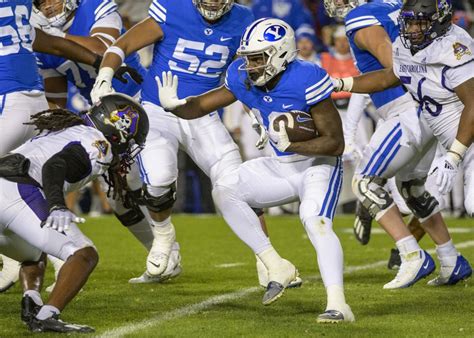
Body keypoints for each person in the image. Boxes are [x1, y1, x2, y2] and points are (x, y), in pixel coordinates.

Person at [91, 0, 301, 293]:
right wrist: (104, 77)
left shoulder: (242, 19)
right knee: (160, 178)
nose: (213, 2)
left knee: (237, 182)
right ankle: (165, 240)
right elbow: (122, 45)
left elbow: (245, 73)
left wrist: (258, 112)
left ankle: (267, 262)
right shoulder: (172, 7)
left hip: (202, 113)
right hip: (157, 110)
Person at [156, 18, 355, 323]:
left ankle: (338, 304)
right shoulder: (241, 77)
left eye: (258, 58)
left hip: (317, 166)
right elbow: (202, 106)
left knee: (315, 221)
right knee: (225, 189)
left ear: (281, 54)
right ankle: (276, 264)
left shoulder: (307, 76)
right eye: (249, 58)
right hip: (281, 165)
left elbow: (335, 143)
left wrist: (294, 145)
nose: (251, 66)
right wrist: (175, 106)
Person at [0, 0, 141, 292]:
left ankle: (26, 257)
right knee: (24, 188)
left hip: (9, 102)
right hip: (31, 102)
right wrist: (98, 63)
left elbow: (53, 43)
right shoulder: (20, 10)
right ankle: (36, 256)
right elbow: (52, 44)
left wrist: (101, 63)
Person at [333, 0, 473, 285]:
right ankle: (450, 261)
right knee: (410, 188)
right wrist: (340, 84)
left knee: (365, 182)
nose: (411, 30)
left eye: (419, 23)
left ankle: (412, 255)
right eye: (408, 23)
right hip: (434, 123)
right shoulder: (410, 40)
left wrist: (453, 157)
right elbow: (389, 75)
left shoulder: (455, 45)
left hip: (448, 132)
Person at [0, 93, 149, 333]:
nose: (129, 147)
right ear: (118, 128)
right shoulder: (98, 143)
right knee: (84, 254)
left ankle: (32, 300)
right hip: (16, 190)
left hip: (7, 185)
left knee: (34, 252)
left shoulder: (66, 129)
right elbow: (55, 166)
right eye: (131, 139)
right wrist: (57, 205)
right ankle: (48, 316)